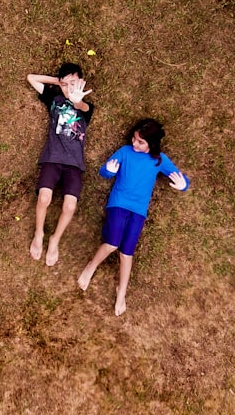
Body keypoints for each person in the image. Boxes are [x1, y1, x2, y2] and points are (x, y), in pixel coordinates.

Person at [77, 118, 189, 316]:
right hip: (118, 203)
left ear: (151, 145)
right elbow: (105, 171)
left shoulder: (159, 160)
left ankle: (122, 292)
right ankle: (90, 267)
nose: (134, 143)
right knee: (112, 244)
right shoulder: (125, 152)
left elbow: (179, 176)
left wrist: (183, 185)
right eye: (135, 138)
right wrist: (108, 171)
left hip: (138, 210)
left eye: (140, 142)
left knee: (126, 252)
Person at [26, 62, 94, 267]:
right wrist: (59, 83)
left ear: (81, 82)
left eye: (73, 83)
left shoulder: (86, 108)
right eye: (64, 84)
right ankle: (39, 233)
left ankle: (55, 239)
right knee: (44, 197)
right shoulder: (54, 99)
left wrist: (77, 99)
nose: (68, 88)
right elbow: (31, 78)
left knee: (70, 205)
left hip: (74, 164)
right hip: (52, 159)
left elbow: (83, 107)